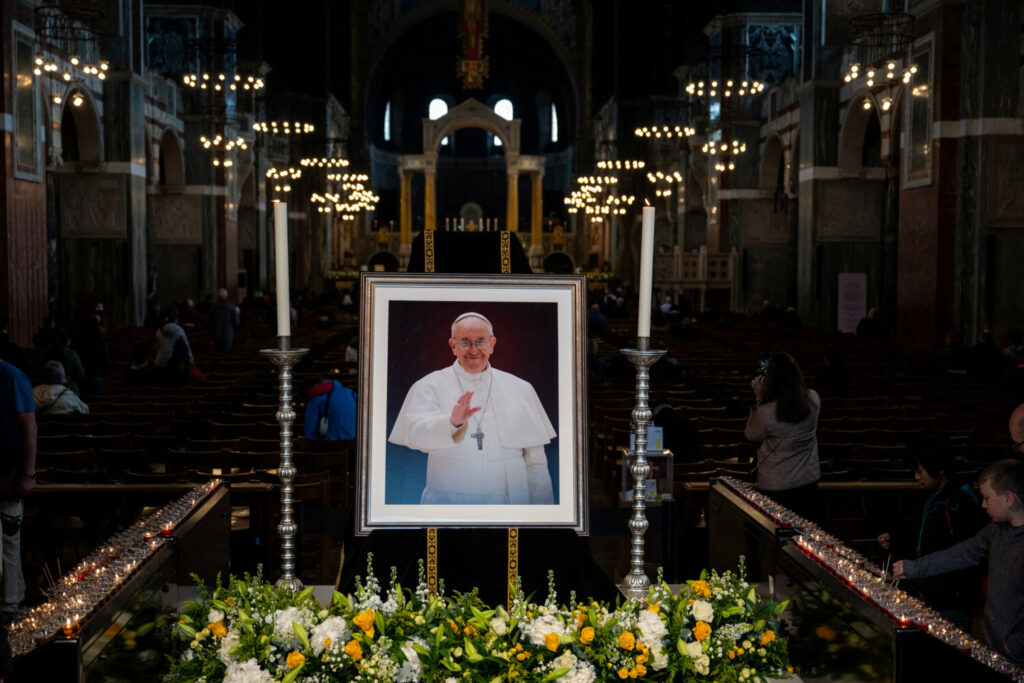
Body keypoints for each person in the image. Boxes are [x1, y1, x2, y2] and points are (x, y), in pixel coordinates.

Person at [388, 312, 555, 505]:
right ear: (453, 346)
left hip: (509, 504)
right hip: (449, 503)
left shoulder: (520, 388)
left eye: (481, 341)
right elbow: (416, 435)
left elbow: (536, 462)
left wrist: (543, 516)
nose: (474, 350)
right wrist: (451, 424)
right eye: (465, 342)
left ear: (492, 344)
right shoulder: (428, 386)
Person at [894, 460, 1024, 664]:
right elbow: (962, 553)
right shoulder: (996, 529)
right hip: (996, 646)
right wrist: (914, 568)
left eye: (987, 498)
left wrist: (1016, 645)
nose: (982, 504)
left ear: (1008, 499)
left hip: (1015, 652)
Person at [878, 447, 985, 626]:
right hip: (931, 591)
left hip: (950, 598)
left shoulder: (958, 502)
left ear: (939, 469)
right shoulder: (932, 497)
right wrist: (895, 539)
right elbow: (922, 536)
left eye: (920, 471)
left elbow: (961, 553)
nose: (916, 477)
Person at [744, 352, 821, 520]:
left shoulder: (765, 412)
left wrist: (758, 398)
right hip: (807, 481)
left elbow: (751, 435)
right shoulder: (814, 399)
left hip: (776, 483)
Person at [0, 351, 37, 616]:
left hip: (7, 472)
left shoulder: (11, 376)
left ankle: (10, 606)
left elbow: (28, 426)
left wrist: (27, 473)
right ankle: (15, 599)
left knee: (8, 540)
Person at [211, 288, 241, 352]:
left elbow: (209, 322)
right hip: (227, 335)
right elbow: (236, 322)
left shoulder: (213, 308)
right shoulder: (231, 307)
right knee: (226, 355)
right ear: (226, 296)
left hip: (216, 335)